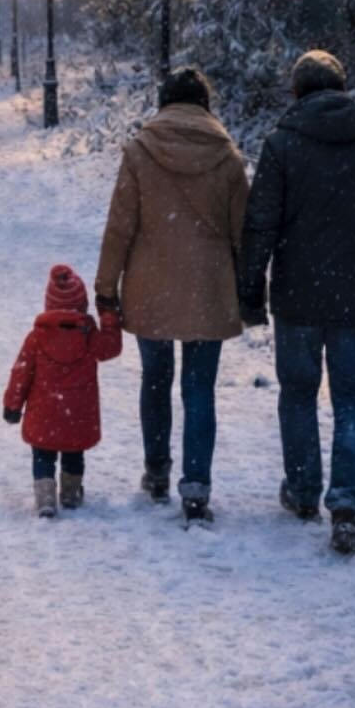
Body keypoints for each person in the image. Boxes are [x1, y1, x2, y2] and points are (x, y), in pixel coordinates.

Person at [238, 50, 355, 555]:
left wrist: (250, 291)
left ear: (296, 92)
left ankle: (302, 490)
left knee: (297, 393)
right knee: (352, 399)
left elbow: (261, 226)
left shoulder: (281, 147)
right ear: (343, 89)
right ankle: (345, 505)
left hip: (297, 296)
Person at [94, 67, 249, 522]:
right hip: (208, 287)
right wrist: (249, 288)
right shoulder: (226, 156)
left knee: (156, 378)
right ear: (205, 104)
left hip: (150, 286)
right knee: (199, 388)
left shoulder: (140, 152)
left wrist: (106, 290)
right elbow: (243, 231)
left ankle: (158, 470)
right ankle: (196, 486)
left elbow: (120, 226)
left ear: (163, 104)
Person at [3, 264, 123, 516]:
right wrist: (109, 317)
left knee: (42, 456)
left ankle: (45, 495)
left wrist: (12, 405)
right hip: (77, 413)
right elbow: (111, 348)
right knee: (73, 453)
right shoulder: (89, 336)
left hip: (44, 413)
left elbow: (21, 372)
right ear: (82, 305)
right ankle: (70, 491)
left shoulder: (36, 337)